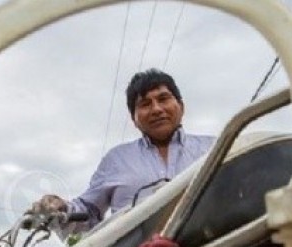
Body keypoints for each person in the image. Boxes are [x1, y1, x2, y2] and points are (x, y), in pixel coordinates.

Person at [32, 68, 215, 236]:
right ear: (134, 119)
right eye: (145, 104)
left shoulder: (217, 147)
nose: (157, 109)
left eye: (163, 99)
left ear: (181, 106)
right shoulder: (117, 159)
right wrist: (60, 208)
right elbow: (89, 213)